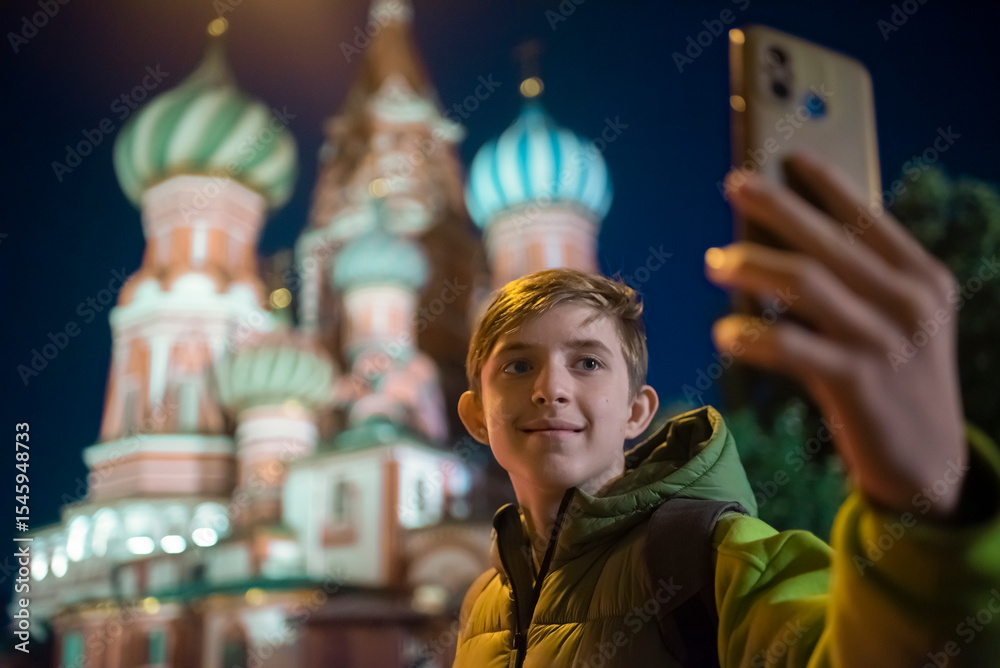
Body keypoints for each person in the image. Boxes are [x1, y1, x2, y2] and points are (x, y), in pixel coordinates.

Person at [451, 152, 1000, 667]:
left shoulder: (713, 561)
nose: (552, 389)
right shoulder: (484, 602)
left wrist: (928, 512)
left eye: (588, 363)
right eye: (518, 366)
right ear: (476, 415)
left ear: (637, 413)